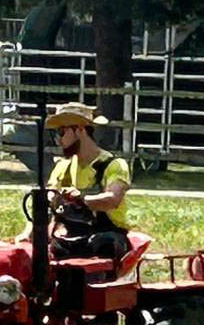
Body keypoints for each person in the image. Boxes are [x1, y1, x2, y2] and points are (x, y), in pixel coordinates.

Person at [40, 102, 134, 260]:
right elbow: (46, 203)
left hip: (107, 236)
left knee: (103, 242)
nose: (58, 139)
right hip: (73, 237)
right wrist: (31, 233)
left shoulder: (113, 165)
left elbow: (113, 199)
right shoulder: (63, 167)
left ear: (80, 130)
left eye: (61, 132)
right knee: (55, 248)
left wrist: (80, 199)